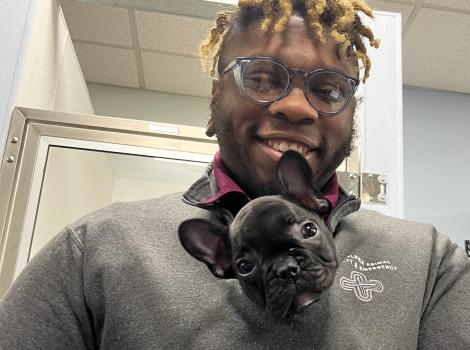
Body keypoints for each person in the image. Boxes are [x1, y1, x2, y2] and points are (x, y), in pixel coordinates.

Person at [1, 0, 469, 348]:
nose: (294, 105)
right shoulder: (96, 248)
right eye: (263, 77)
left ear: (352, 114)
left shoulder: (430, 262)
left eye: (328, 89)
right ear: (214, 95)